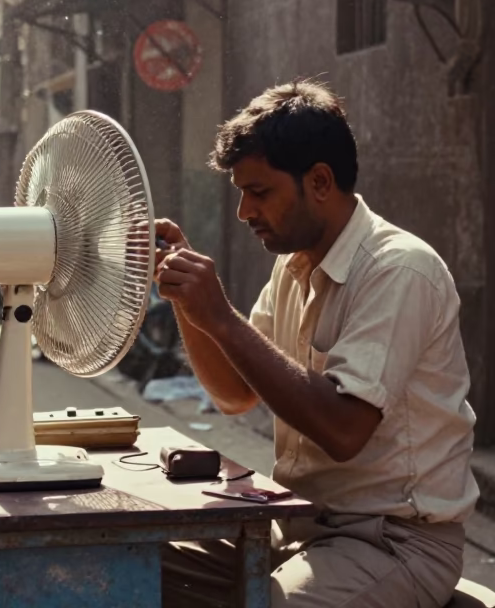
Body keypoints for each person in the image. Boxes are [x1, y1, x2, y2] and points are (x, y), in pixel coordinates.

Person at [155, 80, 478, 607]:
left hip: (394, 543)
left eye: (259, 192)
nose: (244, 212)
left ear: (321, 181)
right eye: (241, 193)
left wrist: (224, 318)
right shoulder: (293, 267)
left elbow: (344, 430)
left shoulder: (400, 270)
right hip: (297, 524)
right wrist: (190, 305)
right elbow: (235, 395)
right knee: (136, 560)